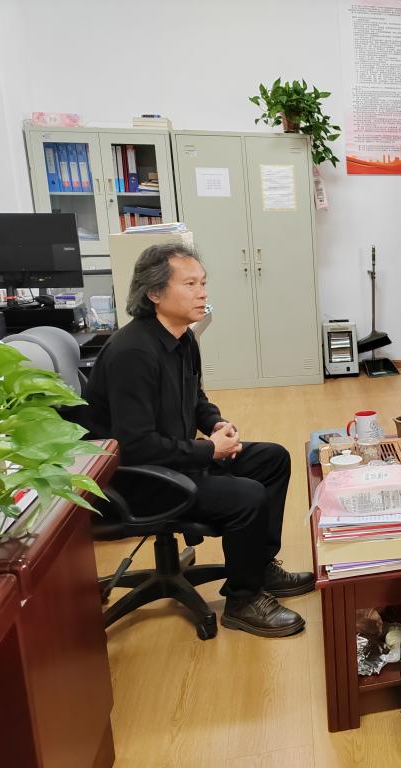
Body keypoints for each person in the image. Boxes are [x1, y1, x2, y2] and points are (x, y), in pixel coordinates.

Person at [74, 243, 313, 638]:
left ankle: (258, 566)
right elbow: (134, 446)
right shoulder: (133, 353)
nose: (202, 293)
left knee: (272, 458)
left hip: (173, 460)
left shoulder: (183, 338)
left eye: (203, 283)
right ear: (154, 293)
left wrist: (217, 425)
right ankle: (243, 600)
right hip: (137, 479)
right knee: (247, 495)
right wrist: (209, 450)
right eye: (189, 284)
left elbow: (196, 398)